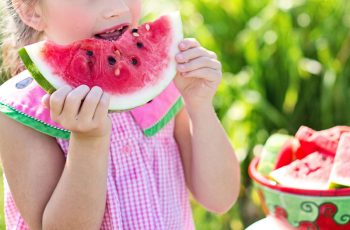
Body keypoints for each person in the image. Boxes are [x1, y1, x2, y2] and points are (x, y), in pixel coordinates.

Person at [0, 0, 240, 229]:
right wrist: (88, 142)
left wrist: (200, 106)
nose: (117, 8)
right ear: (32, 11)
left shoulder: (166, 80)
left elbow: (220, 198)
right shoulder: (21, 112)